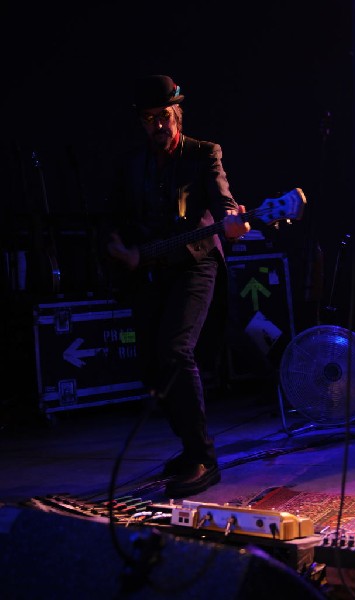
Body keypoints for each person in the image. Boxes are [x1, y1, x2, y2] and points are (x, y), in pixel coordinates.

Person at [103, 74, 250, 498]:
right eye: (149, 119)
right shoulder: (131, 164)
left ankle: (204, 457)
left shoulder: (204, 154)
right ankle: (189, 449)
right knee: (151, 365)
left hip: (196, 262)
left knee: (175, 350)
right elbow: (113, 216)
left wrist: (234, 221)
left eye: (164, 117)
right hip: (150, 269)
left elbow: (223, 201)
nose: (158, 126)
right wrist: (119, 248)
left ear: (178, 114)